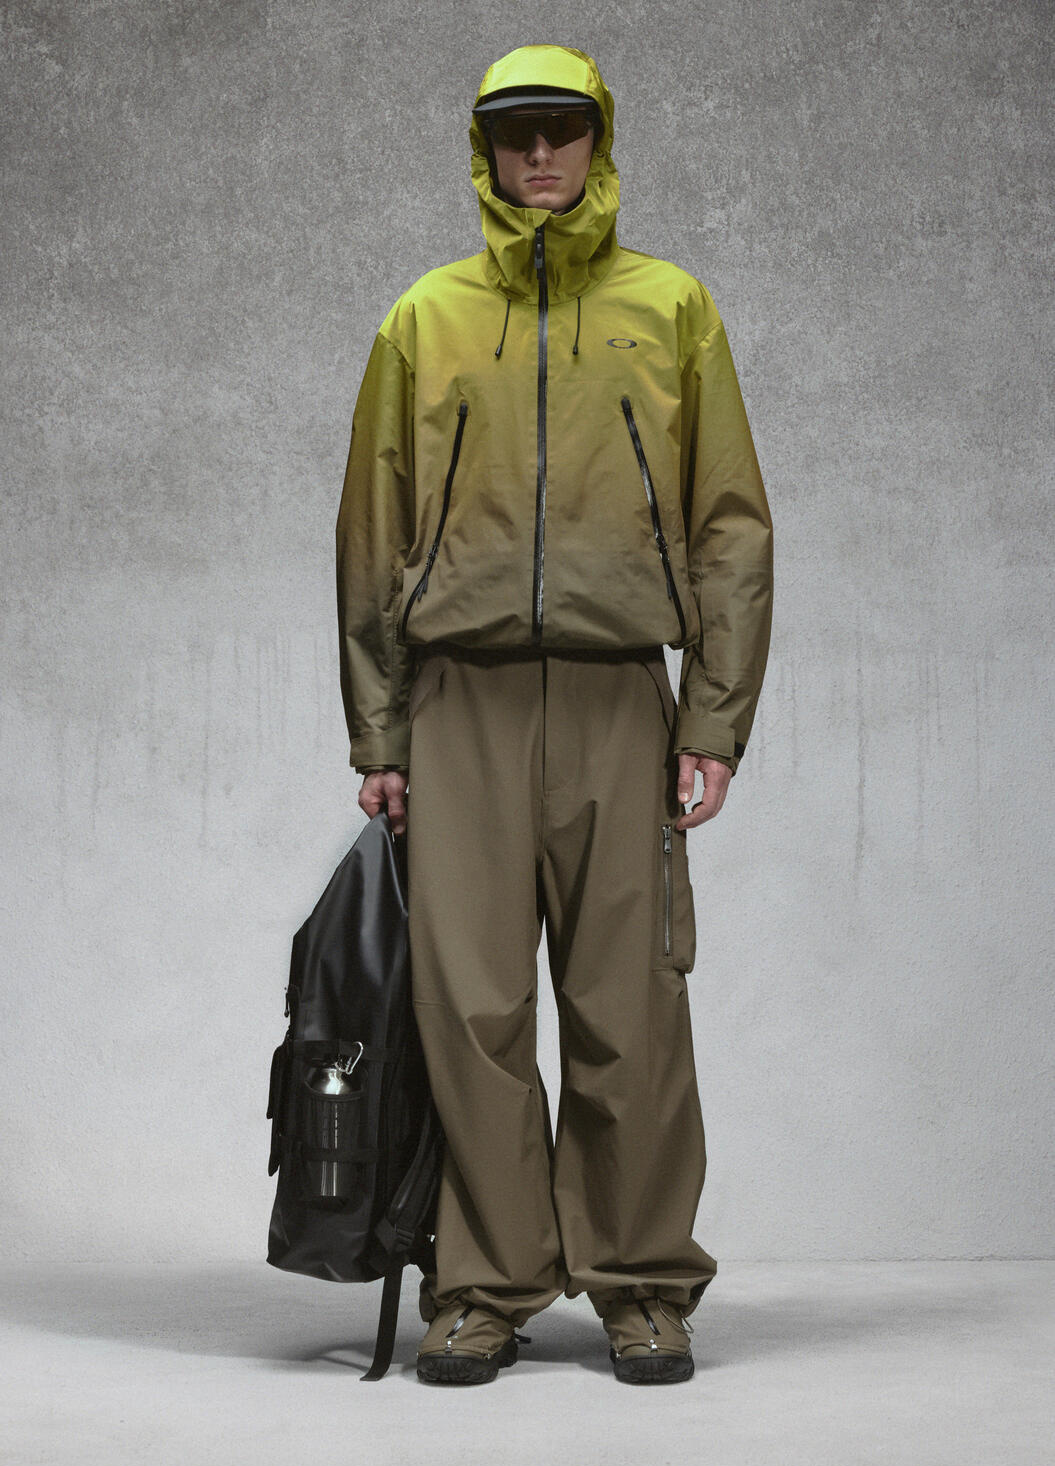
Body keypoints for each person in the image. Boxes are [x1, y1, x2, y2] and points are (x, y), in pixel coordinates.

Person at [335, 44, 773, 1385]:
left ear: (598, 141)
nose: (540, 157)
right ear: (485, 149)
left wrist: (712, 719)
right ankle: (484, 1284)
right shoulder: (425, 318)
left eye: (561, 132)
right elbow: (372, 533)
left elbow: (729, 525)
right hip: (458, 701)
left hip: (617, 699)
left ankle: (642, 1283)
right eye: (516, 134)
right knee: (468, 1010)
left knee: (630, 1003)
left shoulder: (671, 307)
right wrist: (381, 733)